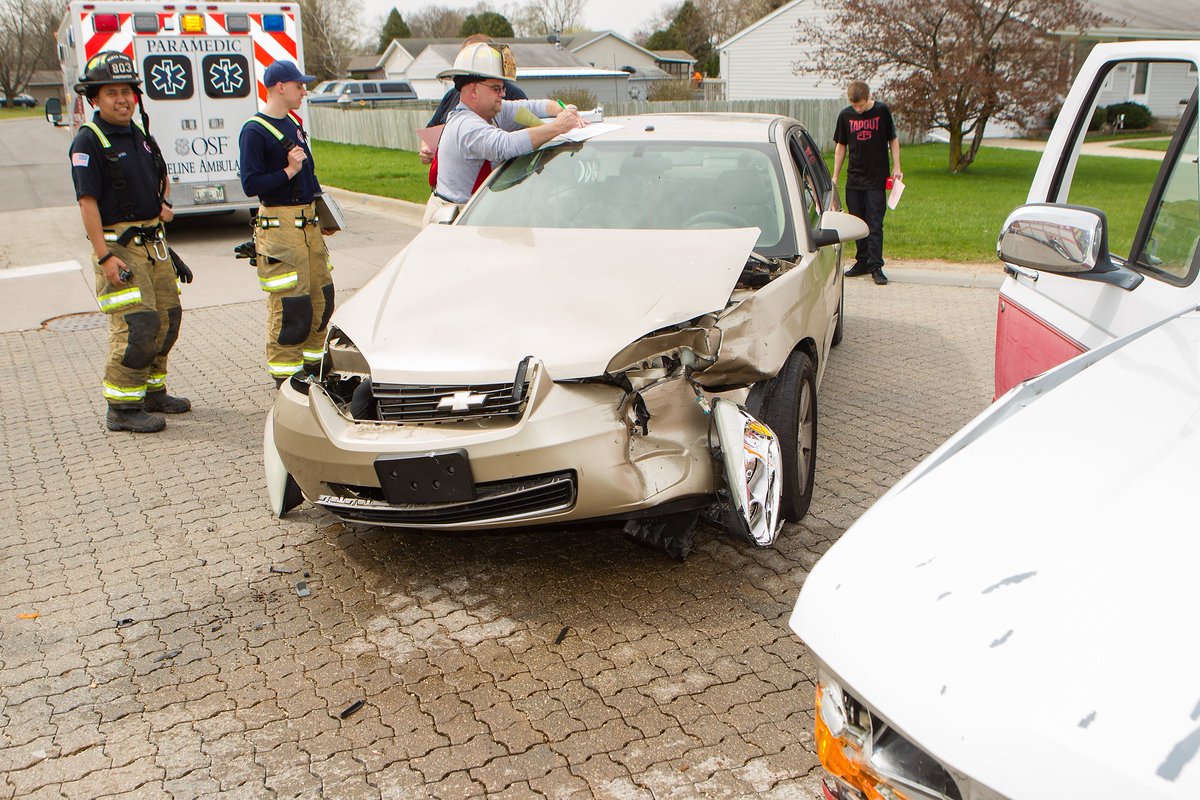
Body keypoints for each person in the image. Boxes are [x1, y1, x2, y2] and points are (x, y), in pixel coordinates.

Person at [69, 51, 191, 433]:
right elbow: (87, 203)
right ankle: (122, 408)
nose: (122, 99)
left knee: (167, 320)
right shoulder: (89, 142)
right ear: (95, 99)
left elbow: (159, 175)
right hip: (118, 249)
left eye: (127, 92)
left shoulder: (139, 133)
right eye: (111, 92)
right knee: (137, 326)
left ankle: (153, 392)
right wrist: (103, 256)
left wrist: (164, 205)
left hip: (153, 245)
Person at [238, 60, 336, 386]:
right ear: (281, 87)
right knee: (292, 307)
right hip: (280, 228)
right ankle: (286, 378)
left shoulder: (293, 123)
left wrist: (324, 216)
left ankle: (314, 370)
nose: (303, 91)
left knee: (321, 299)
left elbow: (310, 176)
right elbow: (251, 184)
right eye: (299, 86)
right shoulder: (254, 131)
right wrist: (288, 172)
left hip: (307, 225)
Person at [422, 42, 585, 224]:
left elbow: (532, 107)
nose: (502, 94)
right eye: (496, 88)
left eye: (503, 88)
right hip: (457, 219)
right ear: (474, 89)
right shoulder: (466, 125)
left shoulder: (493, 112)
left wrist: (562, 109)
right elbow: (505, 146)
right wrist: (558, 127)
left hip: (473, 213)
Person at [832, 80, 902, 286]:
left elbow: (893, 140)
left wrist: (897, 167)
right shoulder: (845, 116)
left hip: (876, 179)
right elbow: (840, 147)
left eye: (861, 105)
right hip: (854, 179)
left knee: (875, 223)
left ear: (868, 98)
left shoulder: (881, 111)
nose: (858, 109)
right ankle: (861, 261)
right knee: (858, 223)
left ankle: (875, 265)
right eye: (854, 106)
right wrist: (836, 175)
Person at [419, 35, 528, 168]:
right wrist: (426, 150)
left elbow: (519, 143)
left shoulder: (512, 95)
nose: (501, 93)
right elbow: (430, 131)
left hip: (491, 183)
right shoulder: (452, 95)